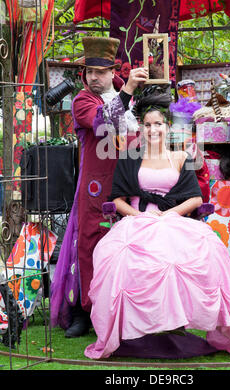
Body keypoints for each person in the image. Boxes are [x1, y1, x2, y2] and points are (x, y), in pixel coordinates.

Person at [84, 89, 230, 360]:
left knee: (202, 251)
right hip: (138, 220)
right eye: (148, 125)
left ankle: (175, 323)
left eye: (158, 124)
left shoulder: (179, 157)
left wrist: (169, 215)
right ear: (142, 128)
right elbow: (116, 199)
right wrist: (138, 217)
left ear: (167, 127)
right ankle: (138, 328)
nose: (153, 129)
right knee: (123, 259)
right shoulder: (129, 158)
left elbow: (195, 198)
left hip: (173, 219)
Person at [50, 36, 147, 338]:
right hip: (95, 188)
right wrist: (129, 89)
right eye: (89, 71)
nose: (94, 77)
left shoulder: (125, 96)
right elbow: (104, 123)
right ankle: (84, 311)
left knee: (127, 248)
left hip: (127, 184)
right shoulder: (82, 100)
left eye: (101, 71)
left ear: (111, 71)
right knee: (90, 245)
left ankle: (123, 309)